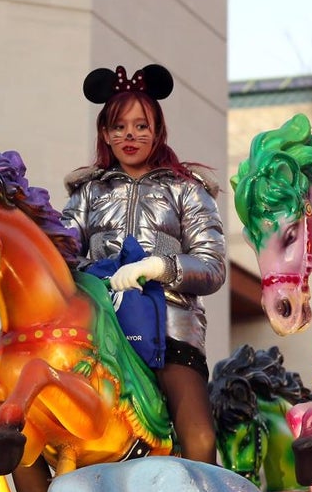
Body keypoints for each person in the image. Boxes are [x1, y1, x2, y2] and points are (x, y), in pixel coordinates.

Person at [63, 63, 226, 466]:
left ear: (158, 131)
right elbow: (60, 255)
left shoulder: (188, 190)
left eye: (141, 126)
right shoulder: (87, 192)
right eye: (119, 127)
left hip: (171, 335)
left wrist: (158, 267)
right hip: (100, 333)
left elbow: (213, 266)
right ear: (104, 133)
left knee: (200, 438)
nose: (130, 136)